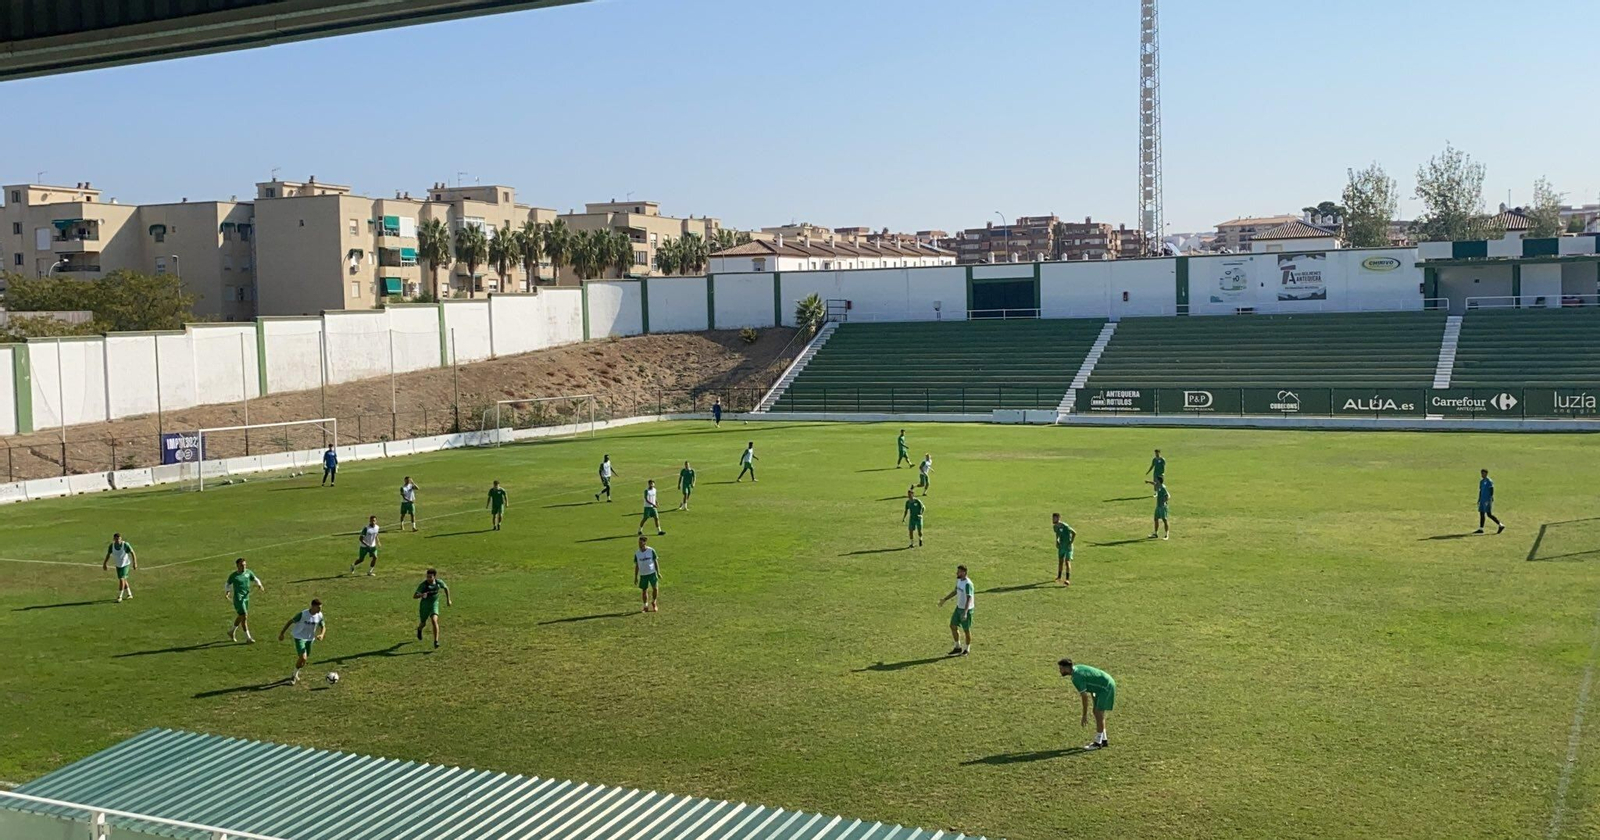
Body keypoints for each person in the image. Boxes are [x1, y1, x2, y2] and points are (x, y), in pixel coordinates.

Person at [1058, 657, 1116, 750]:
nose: (1060, 671)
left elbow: (1084, 697)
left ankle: (1098, 743)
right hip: (1103, 685)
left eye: (1061, 668)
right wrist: (1094, 702)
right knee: (1096, 712)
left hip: (1105, 687)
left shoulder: (1076, 678)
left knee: (1098, 713)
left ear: (1066, 668)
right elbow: (1092, 681)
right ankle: (1103, 740)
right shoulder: (1077, 669)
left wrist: (1084, 715)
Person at [279, 599, 326, 685]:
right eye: (318, 608)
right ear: (313, 606)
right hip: (299, 637)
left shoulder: (319, 615)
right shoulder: (303, 614)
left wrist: (322, 635)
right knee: (303, 657)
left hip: (310, 639)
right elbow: (290, 621)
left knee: (304, 661)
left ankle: (295, 673)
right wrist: (282, 633)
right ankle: (293, 678)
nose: (320, 610)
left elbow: (323, 626)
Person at [225, 557, 265, 643]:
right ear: (237, 566)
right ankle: (248, 638)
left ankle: (231, 631)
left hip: (246, 597)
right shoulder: (234, 576)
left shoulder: (248, 572)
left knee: (241, 616)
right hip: (238, 599)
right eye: (242, 565)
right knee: (244, 616)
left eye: (245, 565)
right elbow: (228, 583)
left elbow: (255, 578)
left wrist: (259, 584)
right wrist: (227, 592)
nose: (244, 567)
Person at [938, 565, 974, 656]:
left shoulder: (967, 584)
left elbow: (969, 597)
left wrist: (965, 612)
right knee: (952, 625)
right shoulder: (959, 580)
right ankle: (957, 647)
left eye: (959, 572)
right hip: (959, 608)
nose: (957, 573)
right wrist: (945, 599)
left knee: (966, 630)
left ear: (964, 572)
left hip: (966, 610)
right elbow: (955, 591)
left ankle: (967, 649)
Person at [413, 568, 452, 649]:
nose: (428, 578)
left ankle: (436, 641)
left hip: (434, 604)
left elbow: (446, 588)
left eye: (430, 577)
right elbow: (414, 596)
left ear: (434, 577)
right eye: (427, 577)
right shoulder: (423, 585)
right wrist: (421, 595)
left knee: (434, 621)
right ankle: (419, 629)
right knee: (423, 623)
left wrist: (448, 600)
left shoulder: (438, 582)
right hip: (425, 606)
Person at [102, 533, 137, 603]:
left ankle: (120, 596)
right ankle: (129, 594)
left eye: (119, 539)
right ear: (114, 539)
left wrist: (135, 563)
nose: (117, 540)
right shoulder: (112, 546)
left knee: (121, 579)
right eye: (116, 539)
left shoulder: (125, 545)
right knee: (124, 579)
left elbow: (132, 552)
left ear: (121, 539)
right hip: (118, 565)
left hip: (125, 564)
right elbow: (108, 554)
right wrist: (105, 563)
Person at [634, 535, 660, 612]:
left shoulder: (651, 551)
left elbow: (655, 561)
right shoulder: (637, 553)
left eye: (641, 543)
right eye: (639, 542)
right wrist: (636, 577)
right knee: (644, 590)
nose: (639, 544)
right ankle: (645, 605)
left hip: (652, 573)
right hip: (643, 574)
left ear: (645, 543)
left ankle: (654, 602)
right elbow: (637, 565)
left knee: (655, 588)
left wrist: (658, 572)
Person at [1476, 468, 1505, 534]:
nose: (1482, 475)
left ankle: (1500, 525)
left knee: (1489, 514)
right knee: (1482, 513)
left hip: (1487, 500)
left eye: (1483, 473)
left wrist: (1490, 499)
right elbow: (1481, 491)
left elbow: (1491, 490)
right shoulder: (1481, 481)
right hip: (1482, 500)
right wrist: (1479, 499)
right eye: (1481, 473)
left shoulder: (1489, 481)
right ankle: (1481, 529)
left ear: (1486, 473)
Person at [1053, 513, 1077, 585]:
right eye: (1053, 518)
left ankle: (1067, 579)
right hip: (1061, 546)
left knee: (1067, 562)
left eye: (1055, 518)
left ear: (1059, 518)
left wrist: (1071, 542)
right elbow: (1057, 533)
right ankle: (1059, 577)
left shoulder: (1065, 526)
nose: (1053, 520)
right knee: (1060, 561)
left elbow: (1074, 533)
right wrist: (1057, 540)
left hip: (1068, 547)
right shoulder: (1055, 527)